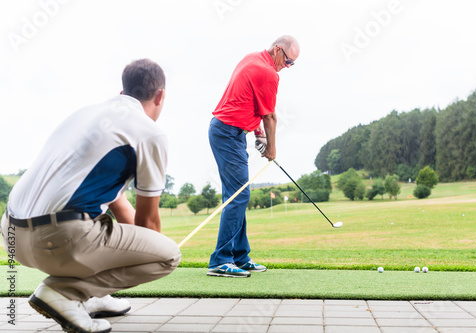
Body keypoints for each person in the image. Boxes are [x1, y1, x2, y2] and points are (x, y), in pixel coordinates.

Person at [1, 59, 181, 333]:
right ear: (161, 96)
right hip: (56, 239)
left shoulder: (88, 114)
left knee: (101, 225)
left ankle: (92, 296)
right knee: (167, 255)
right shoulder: (149, 132)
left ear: (123, 93)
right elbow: (148, 227)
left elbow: (119, 206)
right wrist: (155, 247)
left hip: (11, 236)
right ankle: (66, 292)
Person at [207, 35, 300, 278]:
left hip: (228, 132)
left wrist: (257, 133)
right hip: (228, 133)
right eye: (288, 62)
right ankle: (220, 260)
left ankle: (240, 256)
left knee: (238, 194)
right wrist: (271, 148)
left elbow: (249, 103)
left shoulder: (252, 58)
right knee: (239, 195)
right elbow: (270, 116)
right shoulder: (269, 73)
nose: (287, 67)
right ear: (278, 50)